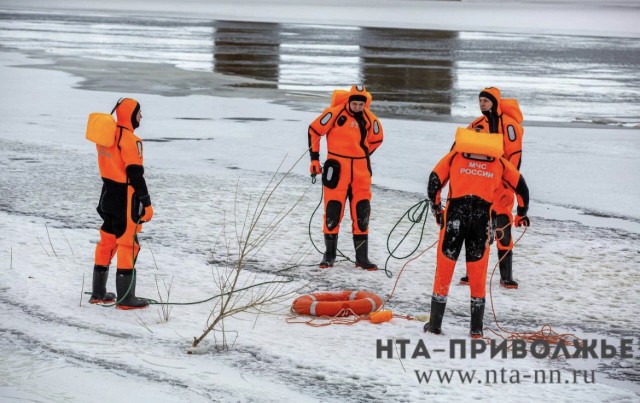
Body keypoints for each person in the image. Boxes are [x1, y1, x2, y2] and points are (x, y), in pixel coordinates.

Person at [424, 128, 530, 338]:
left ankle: (435, 325)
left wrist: (437, 209)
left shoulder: (455, 156)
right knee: (478, 271)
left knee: (444, 268)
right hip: (482, 220)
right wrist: (521, 213)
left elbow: (434, 180)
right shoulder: (498, 161)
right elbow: (521, 187)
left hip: (455, 216)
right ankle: (476, 329)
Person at [307, 85, 384, 270]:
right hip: (337, 169)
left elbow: (377, 139)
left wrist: (363, 155)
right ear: (349, 101)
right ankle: (329, 255)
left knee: (362, 212)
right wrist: (315, 160)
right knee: (333, 211)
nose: (357, 107)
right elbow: (314, 131)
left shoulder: (370, 119)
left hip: (361, 172)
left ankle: (362, 258)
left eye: (360, 104)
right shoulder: (334, 114)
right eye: (355, 104)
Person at [90, 97, 153, 309]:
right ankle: (126, 299)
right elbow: (135, 174)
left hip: (107, 194)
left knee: (106, 241)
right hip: (125, 198)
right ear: (130, 114)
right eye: (139, 112)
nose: (141, 116)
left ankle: (98, 293)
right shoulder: (130, 139)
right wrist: (147, 203)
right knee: (128, 244)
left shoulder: (106, 136)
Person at [460, 87, 524, 288]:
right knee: (479, 232)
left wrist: (509, 180)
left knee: (503, 228)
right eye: (480, 101)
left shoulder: (510, 126)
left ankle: (506, 276)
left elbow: (515, 156)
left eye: (485, 101)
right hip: (482, 185)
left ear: (494, 102)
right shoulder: (476, 125)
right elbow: (459, 149)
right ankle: (473, 273)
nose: (482, 104)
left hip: (503, 187)